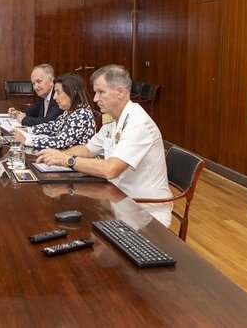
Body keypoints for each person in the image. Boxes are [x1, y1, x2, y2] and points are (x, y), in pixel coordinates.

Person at [35, 64, 172, 227]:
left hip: (145, 212)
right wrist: (58, 156)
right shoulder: (112, 120)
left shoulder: (138, 123)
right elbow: (87, 149)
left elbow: (110, 169)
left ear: (120, 92)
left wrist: (67, 160)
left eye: (101, 92)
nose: (95, 99)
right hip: (117, 200)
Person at [12, 73, 95, 150]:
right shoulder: (70, 111)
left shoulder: (82, 114)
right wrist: (28, 130)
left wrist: (27, 140)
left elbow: (61, 141)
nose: (54, 97)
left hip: (72, 161)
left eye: (58, 93)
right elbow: (52, 126)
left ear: (73, 93)